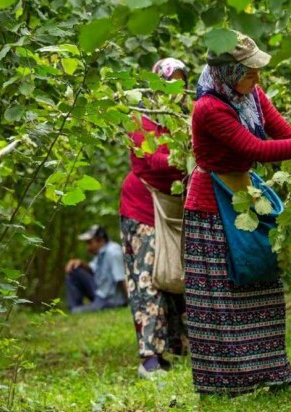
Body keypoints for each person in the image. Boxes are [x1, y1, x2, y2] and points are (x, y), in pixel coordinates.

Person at [183, 32, 291, 395]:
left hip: (245, 195)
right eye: (250, 72)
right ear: (228, 71)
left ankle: (271, 372)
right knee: (223, 293)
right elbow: (256, 147)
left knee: (260, 279)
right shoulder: (209, 108)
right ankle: (226, 383)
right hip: (213, 204)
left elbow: (285, 133)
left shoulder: (251, 96)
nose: (258, 78)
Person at [119, 58, 189, 378]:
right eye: (169, 83)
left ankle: (177, 347)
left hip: (174, 211)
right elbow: (153, 162)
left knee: (175, 276)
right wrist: (189, 156)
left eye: (181, 83)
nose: (175, 90)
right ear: (156, 86)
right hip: (142, 209)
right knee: (148, 279)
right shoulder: (141, 121)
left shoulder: (183, 121)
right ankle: (149, 358)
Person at [65, 225, 128, 314]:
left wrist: (130, 304)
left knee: (77, 311)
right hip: (100, 292)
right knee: (74, 271)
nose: (87, 247)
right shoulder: (101, 253)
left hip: (110, 299)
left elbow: (122, 279)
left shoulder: (113, 252)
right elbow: (92, 269)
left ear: (101, 240)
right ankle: (74, 307)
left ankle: (76, 310)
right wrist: (80, 263)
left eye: (90, 243)